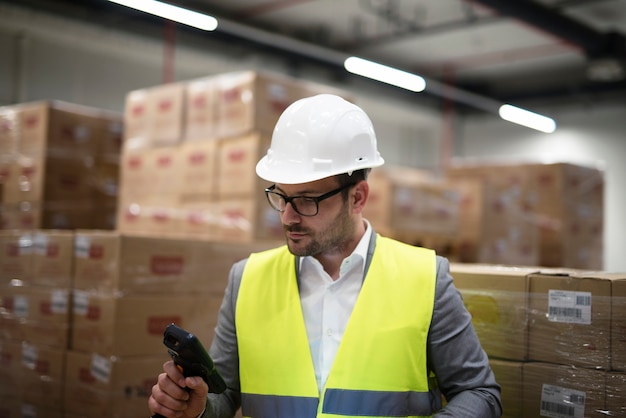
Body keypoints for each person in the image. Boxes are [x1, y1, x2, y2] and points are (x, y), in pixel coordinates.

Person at [148, 94, 502, 418]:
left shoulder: (425, 278)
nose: (288, 216)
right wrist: (195, 409)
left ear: (358, 197)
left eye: (307, 200)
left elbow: (480, 393)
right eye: (280, 196)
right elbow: (225, 396)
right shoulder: (247, 279)